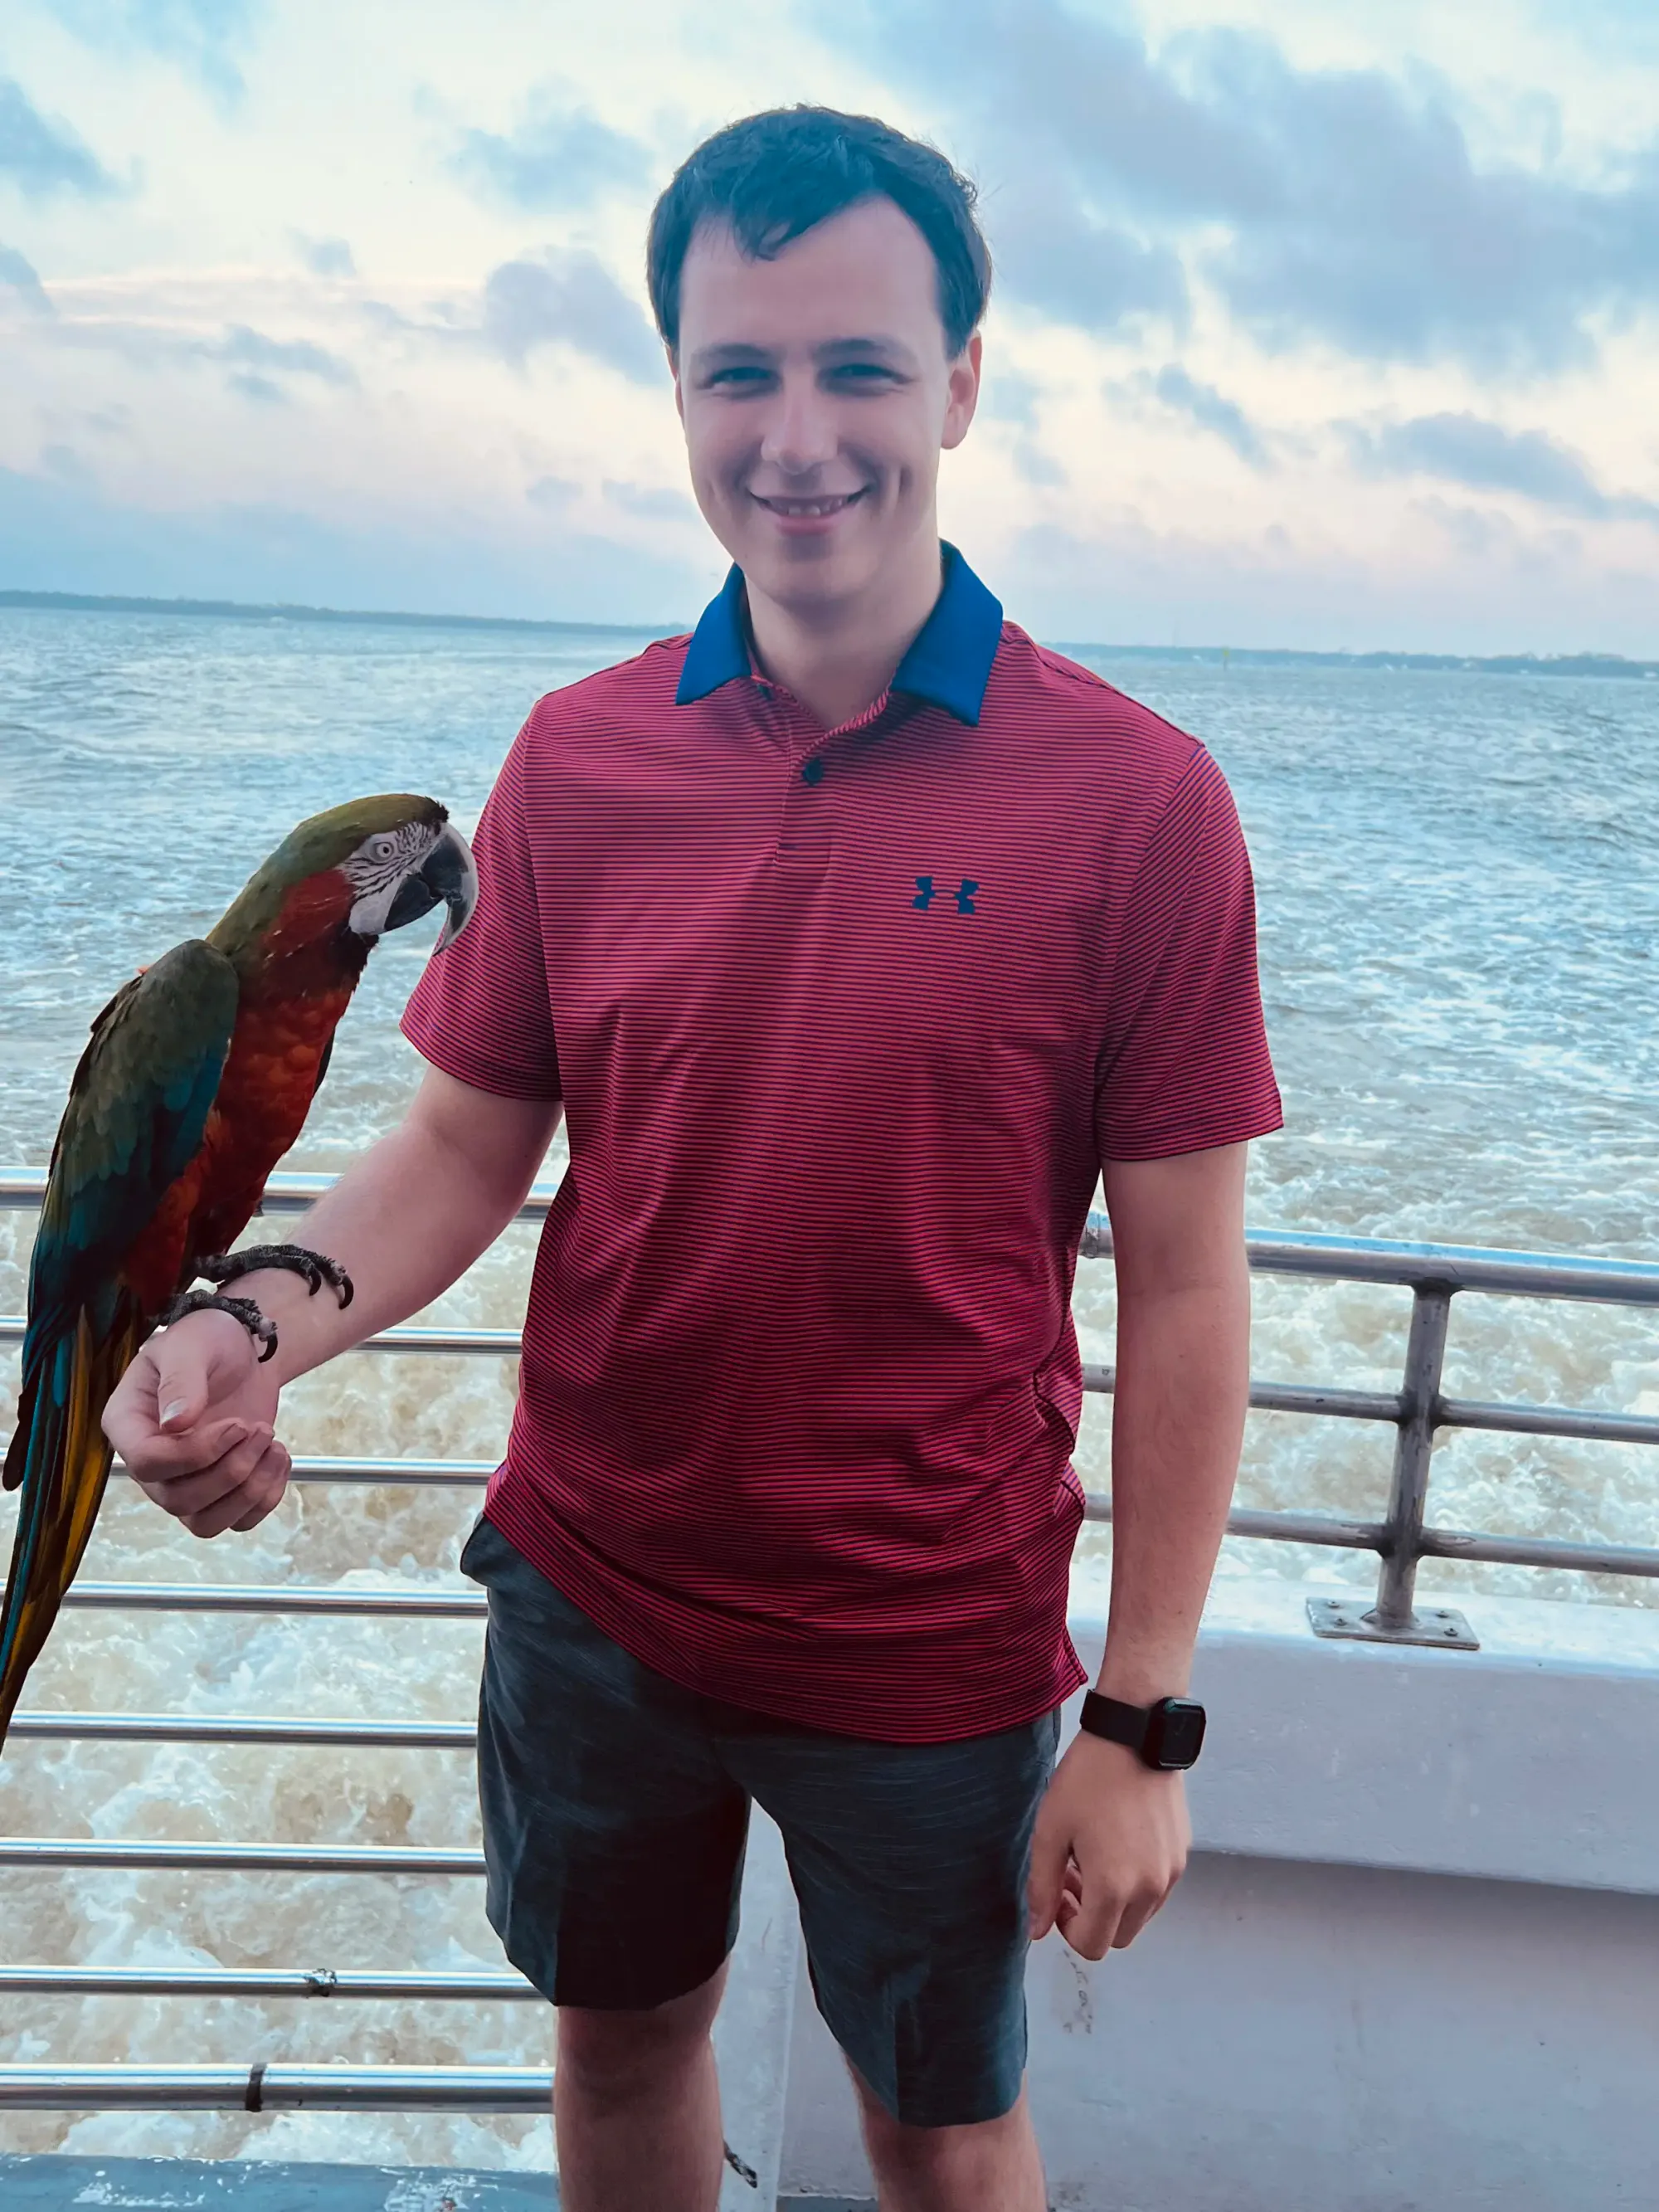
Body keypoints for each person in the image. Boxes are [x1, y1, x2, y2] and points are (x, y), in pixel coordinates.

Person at [104, 105, 1281, 2212]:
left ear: (962, 385)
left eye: (858, 368)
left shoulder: (1138, 804)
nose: (799, 432)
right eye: (740, 370)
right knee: (622, 2044)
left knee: (940, 2130)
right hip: (592, 1591)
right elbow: (465, 1143)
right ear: (676, 391)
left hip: (924, 1637)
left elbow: (1189, 1280)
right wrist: (247, 1322)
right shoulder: (578, 754)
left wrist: (1145, 1716)